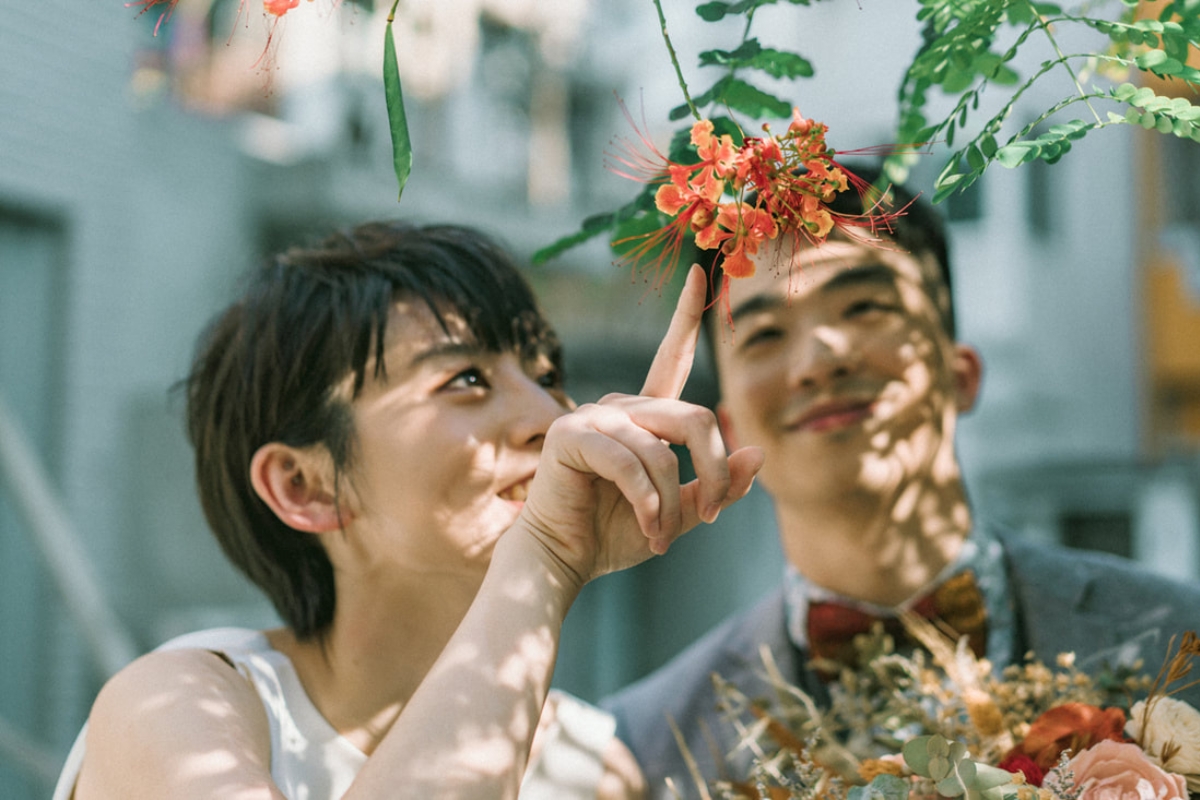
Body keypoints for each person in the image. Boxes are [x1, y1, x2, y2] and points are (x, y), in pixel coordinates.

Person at [52, 221, 763, 799]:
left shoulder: (592, 768)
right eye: (466, 379)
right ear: (305, 487)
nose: (548, 415)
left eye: (547, 375)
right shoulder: (183, 706)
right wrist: (543, 557)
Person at [601, 166, 1200, 797]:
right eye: (766, 335)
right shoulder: (648, 747)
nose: (819, 359)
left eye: (863, 307)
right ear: (725, 427)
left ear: (961, 372)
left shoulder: (1174, 634)